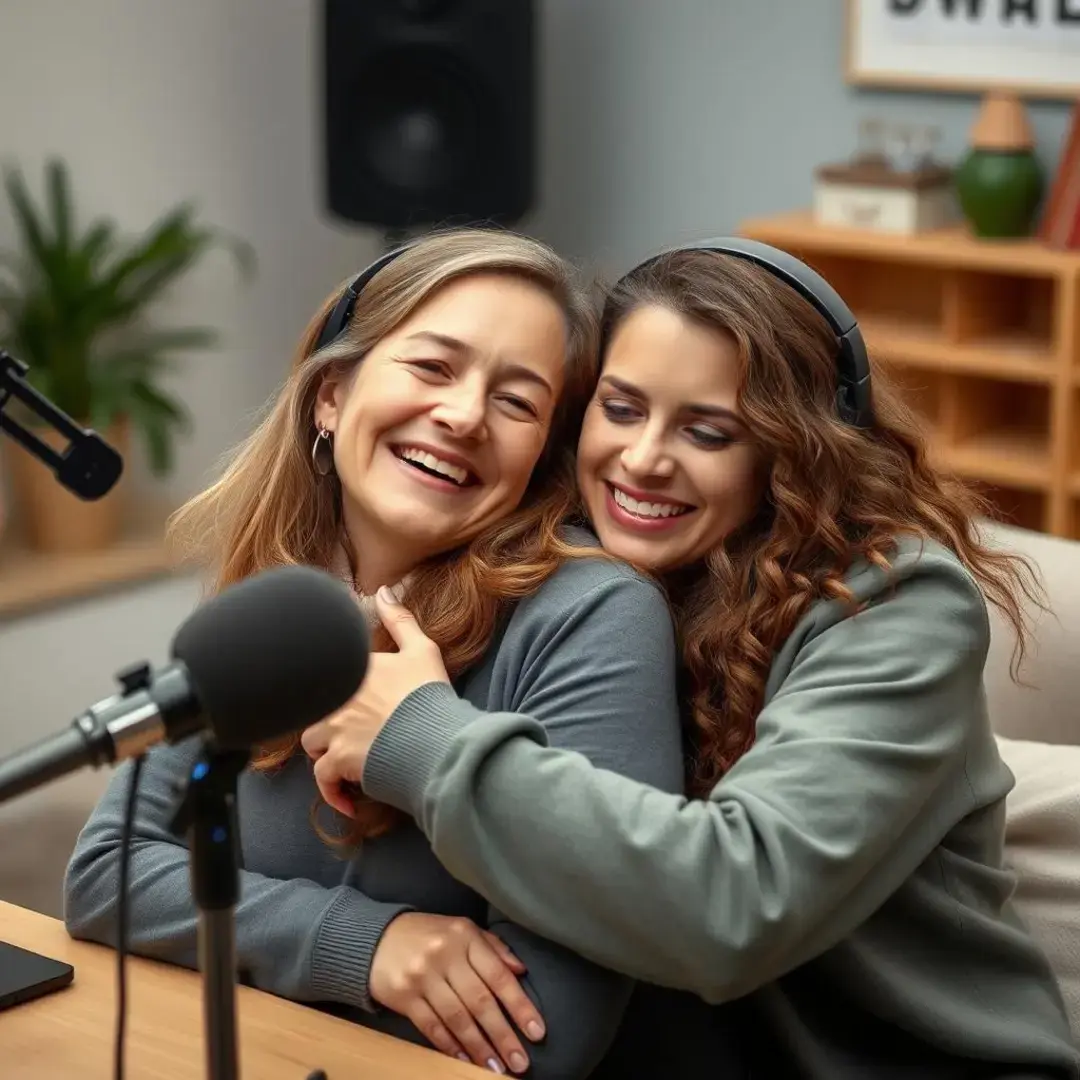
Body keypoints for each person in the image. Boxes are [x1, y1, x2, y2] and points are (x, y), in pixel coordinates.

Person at [301, 239, 1080, 1078]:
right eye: (623, 409)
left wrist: (422, 738)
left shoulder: (900, 606)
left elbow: (736, 907)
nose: (643, 460)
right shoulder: (564, 576)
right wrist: (355, 940)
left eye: (708, 431)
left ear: (794, 452)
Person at [62, 228, 686, 1079]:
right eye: (432, 367)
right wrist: (360, 944)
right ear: (331, 394)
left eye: (517, 401)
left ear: (543, 452)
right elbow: (108, 875)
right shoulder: (281, 598)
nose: (464, 415)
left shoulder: (594, 614)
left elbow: (540, 1038)